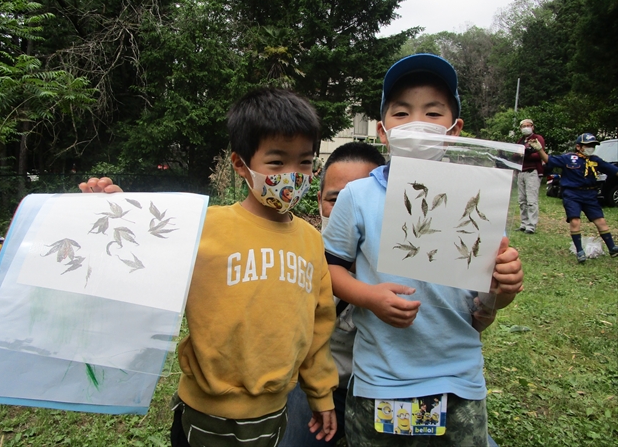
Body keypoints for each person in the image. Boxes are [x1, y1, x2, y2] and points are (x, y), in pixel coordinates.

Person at [80, 88, 338, 447]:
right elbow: (145, 257)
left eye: (305, 162)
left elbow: (318, 328)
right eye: (277, 163)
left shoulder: (311, 241)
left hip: (275, 413)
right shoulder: (202, 226)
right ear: (240, 164)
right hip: (204, 414)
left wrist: (322, 394)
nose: (293, 176)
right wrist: (117, 211)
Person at [322, 53, 524, 446]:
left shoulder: (479, 197)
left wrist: (504, 289)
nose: (416, 123)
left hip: (459, 382)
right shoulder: (358, 197)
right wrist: (370, 296)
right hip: (380, 382)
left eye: (433, 113)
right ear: (383, 132)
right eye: (401, 113)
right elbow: (330, 271)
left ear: (455, 129)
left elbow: (485, 303)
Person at [279, 142, 386, 447]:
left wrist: (494, 298)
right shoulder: (300, 255)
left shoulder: (409, 258)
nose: (346, 211)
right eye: (335, 199)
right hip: (320, 386)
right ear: (319, 201)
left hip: (387, 387)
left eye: (361, 199)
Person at [529, 133, 618, 263]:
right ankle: (580, 251)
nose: (591, 148)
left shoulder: (595, 160)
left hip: (590, 195)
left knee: (601, 221)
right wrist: (540, 150)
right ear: (578, 147)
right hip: (572, 195)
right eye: (588, 145)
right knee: (575, 221)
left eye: (593, 145)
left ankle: (612, 248)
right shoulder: (569, 158)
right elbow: (549, 160)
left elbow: (612, 170)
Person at [515, 119, 545, 234]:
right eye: (523, 126)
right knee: (522, 200)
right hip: (521, 171)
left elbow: (539, 155)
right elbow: (515, 155)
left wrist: (525, 154)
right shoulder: (521, 141)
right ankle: (524, 223)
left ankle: (531, 225)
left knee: (531, 200)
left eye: (528, 125)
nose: (526, 128)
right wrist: (524, 153)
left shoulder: (537, 138)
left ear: (532, 127)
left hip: (532, 171)